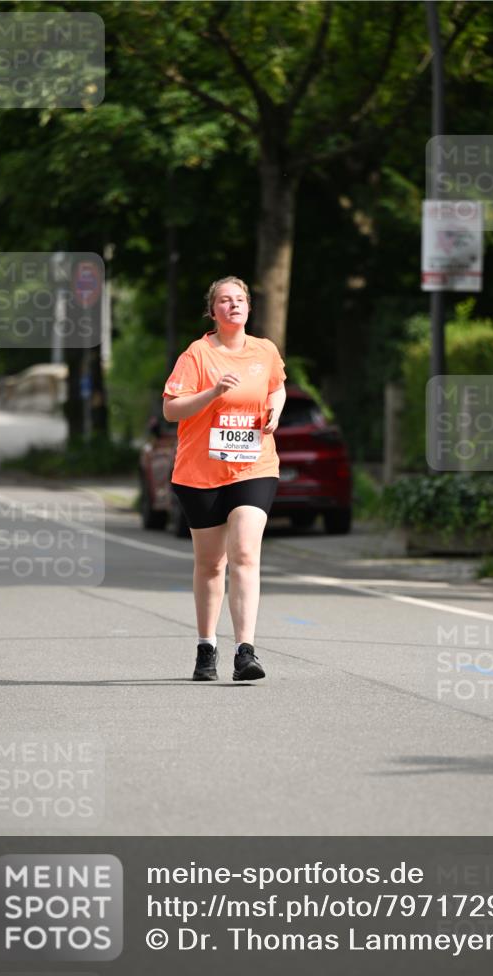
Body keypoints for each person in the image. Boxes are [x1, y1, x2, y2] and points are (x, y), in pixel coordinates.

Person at [162, 276, 287, 682]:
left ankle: (245, 651)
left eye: (239, 300)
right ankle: (206, 647)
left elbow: (278, 387)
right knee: (211, 565)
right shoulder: (197, 354)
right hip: (201, 473)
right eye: (224, 301)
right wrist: (213, 393)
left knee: (246, 553)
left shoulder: (265, 351)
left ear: (249, 307)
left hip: (254, 466)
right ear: (212, 311)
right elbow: (172, 411)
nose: (233, 306)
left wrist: (276, 410)